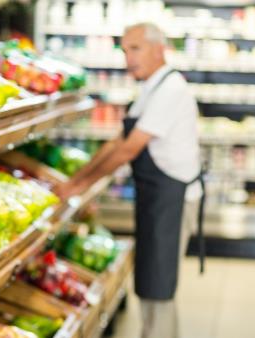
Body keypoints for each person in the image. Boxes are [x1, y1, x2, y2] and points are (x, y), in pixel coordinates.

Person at [54, 22, 204, 338]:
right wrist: (77, 179)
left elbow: (129, 149)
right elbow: (116, 141)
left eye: (135, 49)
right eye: (124, 50)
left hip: (173, 198)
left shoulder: (171, 89)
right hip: (157, 196)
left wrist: (78, 186)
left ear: (160, 49)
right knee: (149, 280)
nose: (128, 59)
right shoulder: (151, 87)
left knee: (158, 286)